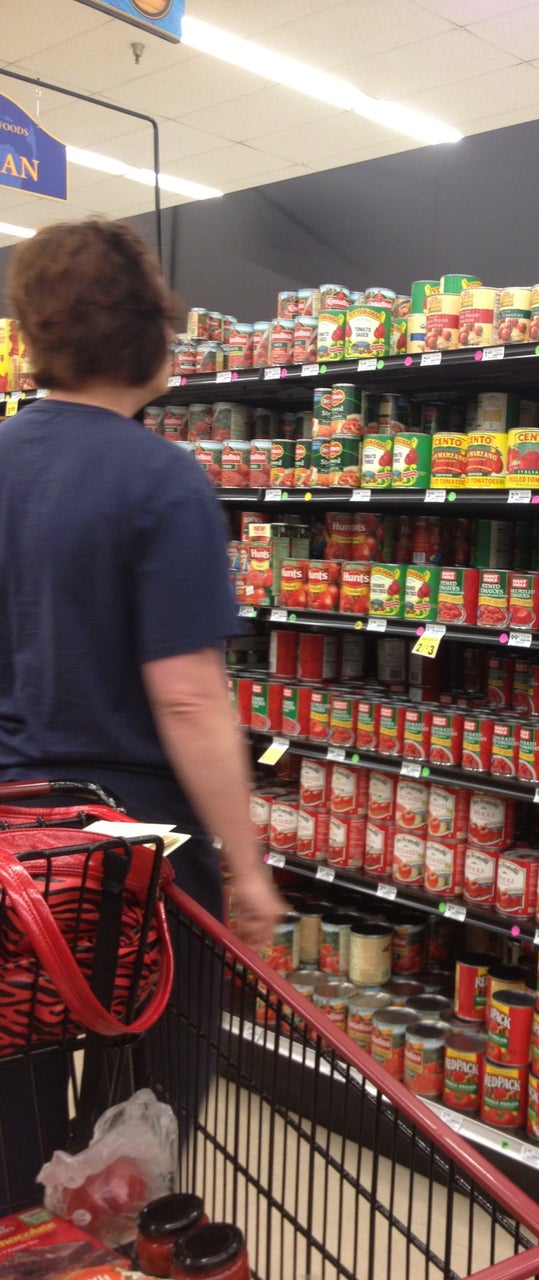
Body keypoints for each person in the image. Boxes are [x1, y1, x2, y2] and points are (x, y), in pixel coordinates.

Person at [0, 218, 285, 1202]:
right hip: (140, 856)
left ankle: (25, 1243)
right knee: (143, 1108)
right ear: (151, 334)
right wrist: (248, 864)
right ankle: (114, 1238)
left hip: (14, 849)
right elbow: (188, 693)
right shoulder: (161, 478)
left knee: (14, 1091)